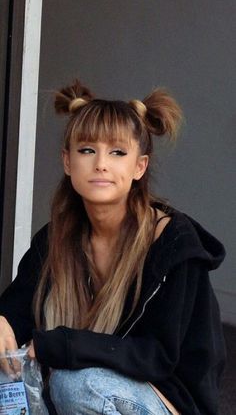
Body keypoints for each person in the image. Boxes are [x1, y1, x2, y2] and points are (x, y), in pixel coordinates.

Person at [0, 79, 226, 415]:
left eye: (117, 152)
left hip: (163, 398)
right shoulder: (55, 240)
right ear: (67, 162)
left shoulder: (173, 245)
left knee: (78, 385)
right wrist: (3, 320)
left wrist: (67, 345)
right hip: (85, 384)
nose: (101, 164)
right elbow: (18, 307)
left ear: (139, 167)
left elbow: (159, 356)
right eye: (87, 150)